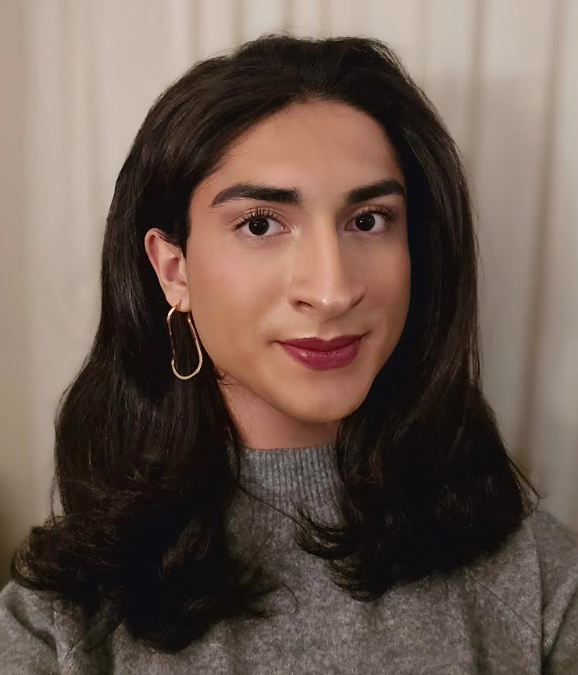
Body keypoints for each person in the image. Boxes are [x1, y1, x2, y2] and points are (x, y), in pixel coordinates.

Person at [1, 32, 577, 674]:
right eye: (260, 224)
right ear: (173, 269)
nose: (331, 292)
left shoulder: (537, 581)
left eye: (368, 220)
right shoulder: (59, 620)